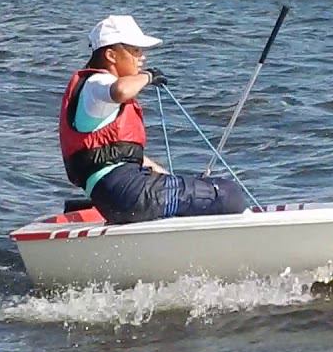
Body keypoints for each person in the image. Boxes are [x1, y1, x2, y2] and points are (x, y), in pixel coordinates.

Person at [58, 15, 246, 223]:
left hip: (113, 197)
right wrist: (148, 76)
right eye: (136, 51)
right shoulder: (98, 83)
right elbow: (121, 90)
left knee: (200, 191)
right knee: (230, 194)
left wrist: (172, 179)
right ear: (111, 55)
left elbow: (125, 157)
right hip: (129, 193)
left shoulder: (93, 94)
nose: (142, 58)